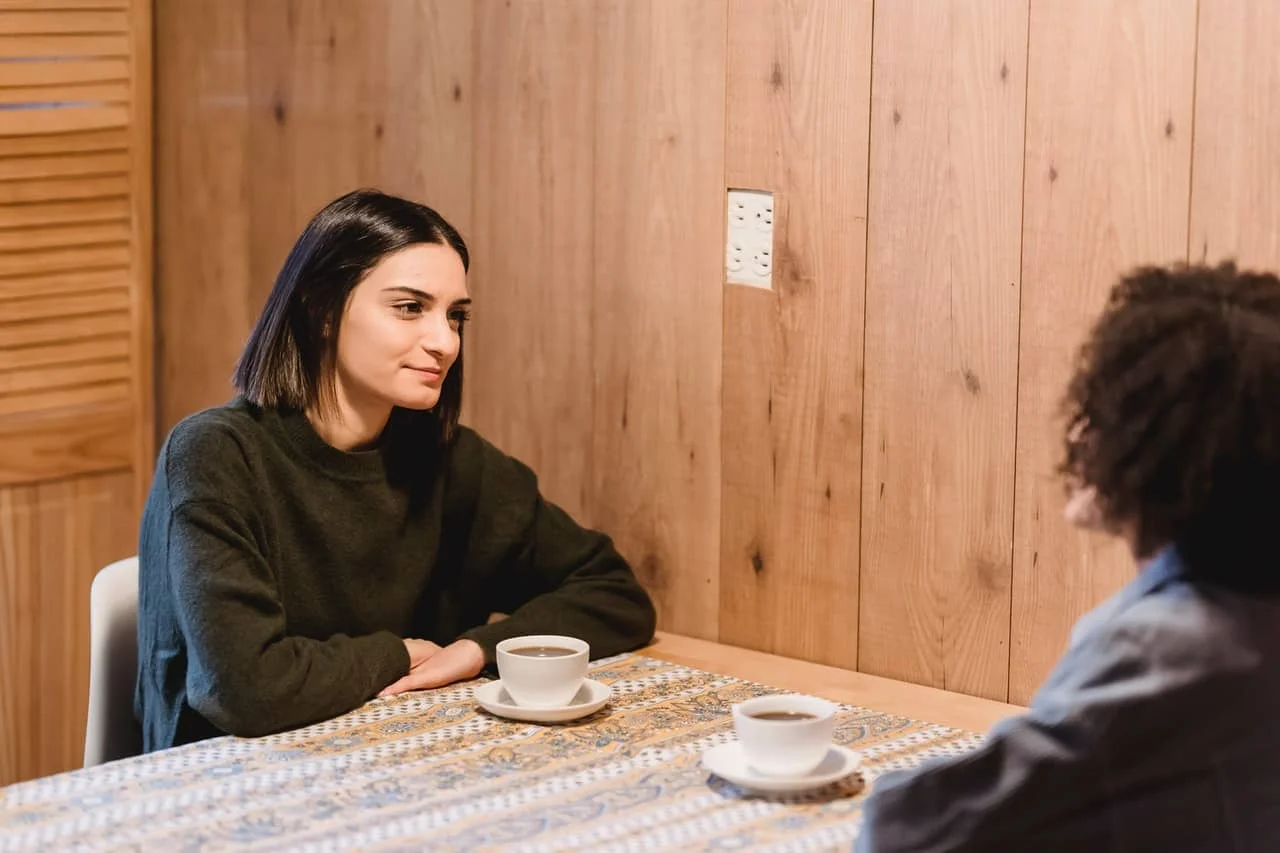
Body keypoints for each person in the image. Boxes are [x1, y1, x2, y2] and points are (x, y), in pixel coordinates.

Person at [135, 188, 657, 751]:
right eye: (410, 308)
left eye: (455, 316)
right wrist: (401, 653)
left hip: (404, 758)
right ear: (321, 310)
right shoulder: (216, 454)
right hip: (224, 787)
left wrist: (475, 649)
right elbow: (242, 688)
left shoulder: (451, 460)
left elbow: (615, 595)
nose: (444, 342)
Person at [856, 262, 1280, 851]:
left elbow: (916, 830)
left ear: (1177, 452)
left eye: (1111, 411)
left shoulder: (1168, 648)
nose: (1080, 431)